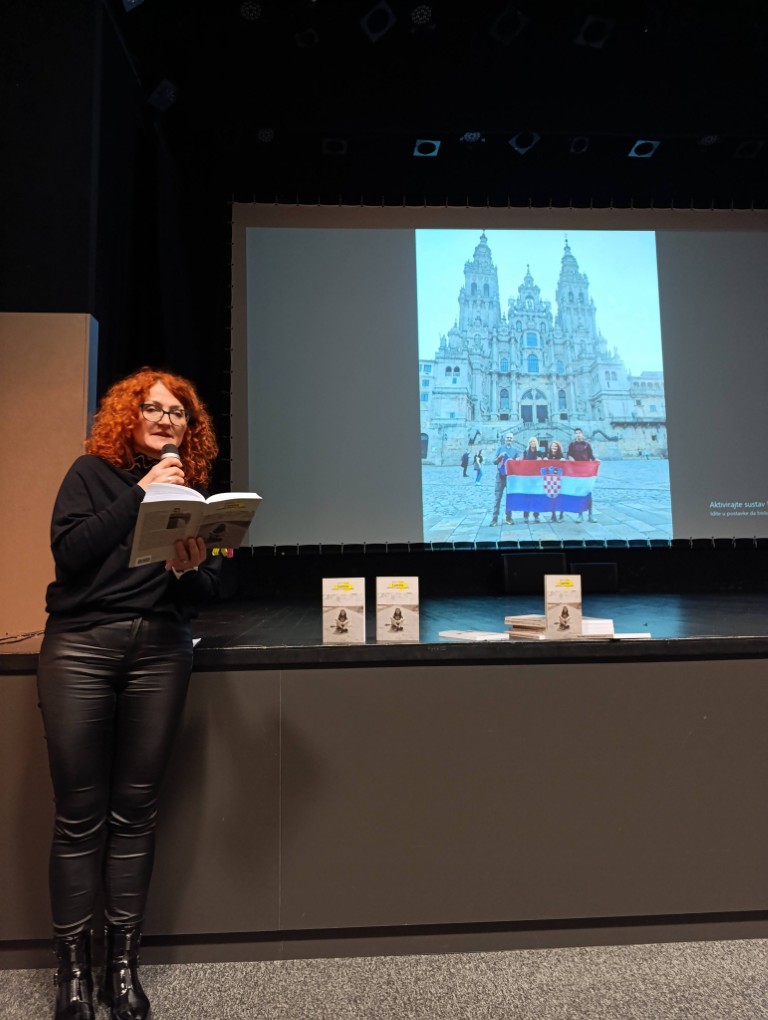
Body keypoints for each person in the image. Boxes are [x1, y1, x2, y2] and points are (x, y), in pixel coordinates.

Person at [37, 367, 224, 1020]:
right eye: (154, 408)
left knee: (136, 813)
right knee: (78, 815)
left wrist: (193, 567)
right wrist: (141, 495)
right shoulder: (89, 474)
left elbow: (208, 593)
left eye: (178, 413)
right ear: (129, 416)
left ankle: (121, 967)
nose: (166, 420)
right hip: (80, 649)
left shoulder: (191, 495)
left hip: (161, 652)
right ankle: (72, 975)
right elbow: (71, 553)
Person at [567, 427, 598, 522]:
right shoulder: (572, 445)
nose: (578, 434)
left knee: (588, 492)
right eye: (576, 433)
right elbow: (568, 454)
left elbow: (591, 456)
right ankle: (580, 514)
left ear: (582, 434)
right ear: (574, 435)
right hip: (576, 471)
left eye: (579, 433)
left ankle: (590, 514)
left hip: (586, 471)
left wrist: (596, 460)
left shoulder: (587, 444)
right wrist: (570, 457)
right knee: (579, 492)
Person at [490, 433, 516, 526]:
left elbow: (518, 463)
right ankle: (494, 519)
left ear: (513, 439)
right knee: (498, 498)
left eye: (510, 438)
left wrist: (516, 460)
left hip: (510, 477)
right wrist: (499, 457)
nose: (509, 439)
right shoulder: (500, 448)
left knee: (509, 498)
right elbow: (494, 461)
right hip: (500, 476)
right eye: (508, 437)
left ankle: (508, 518)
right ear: (505, 439)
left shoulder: (515, 450)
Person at [522, 437, 543, 524]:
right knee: (527, 497)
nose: (532, 443)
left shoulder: (539, 452)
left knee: (536, 497)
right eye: (531, 441)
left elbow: (543, 463)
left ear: (536, 442)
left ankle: (536, 515)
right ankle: (526, 516)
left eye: (534, 441)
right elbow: (522, 462)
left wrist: (542, 460)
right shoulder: (526, 452)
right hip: (527, 477)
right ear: (529, 443)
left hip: (537, 478)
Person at [546, 440, 565, 522]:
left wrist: (563, 460)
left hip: (559, 479)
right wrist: (545, 459)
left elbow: (565, 466)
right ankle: (553, 515)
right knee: (552, 498)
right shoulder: (548, 455)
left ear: (558, 448)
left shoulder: (561, 455)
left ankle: (561, 515)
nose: (554, 447)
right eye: (553, 446)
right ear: (550, 447)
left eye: (556, 446)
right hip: (551, 480)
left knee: (561, 497)